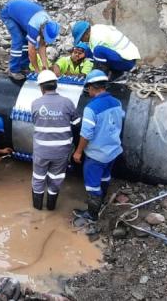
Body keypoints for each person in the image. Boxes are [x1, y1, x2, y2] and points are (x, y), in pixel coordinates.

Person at [72, 70, 125, 222]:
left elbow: (86, 134)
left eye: (87, 88)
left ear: (91, 87)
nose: (87, 91)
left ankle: (92, 215)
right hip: (113, 151)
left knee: (92, 184)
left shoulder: (91, 108)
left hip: (97, 154)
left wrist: (78, 152)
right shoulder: (117, 102)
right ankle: (101, 203)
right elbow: (119, 121)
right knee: (105, 177)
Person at [30, 70, 80, 210]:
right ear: (56, 85)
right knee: (56, 178)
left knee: (38, 178)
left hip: (42, 151)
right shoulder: (68, 103)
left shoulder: (35, 104)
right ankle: (51, 208)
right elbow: (76, 124)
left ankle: (37, 209)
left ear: (41, 87)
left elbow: (36, 122)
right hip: (61, 151)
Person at [0, 0, 61, 80]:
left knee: (25, 40)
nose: (44, 37)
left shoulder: (48, 23)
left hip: (22, 15)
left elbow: (42, 45)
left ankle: (24, 66)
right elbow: (31, 52)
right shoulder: (34, 26)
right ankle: (13, 70)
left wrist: (45, 65)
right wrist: (37, 71)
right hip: (8, 13)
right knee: (18, 40)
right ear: (43, 30)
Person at [71, 21, 140, 81]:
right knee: (88, 52)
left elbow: (98, 61)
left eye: (81, 38)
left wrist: (92, 79)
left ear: (86, 33)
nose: (82, 41)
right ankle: (117, 73)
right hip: (123, 58)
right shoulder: (95, 29)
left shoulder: (96, 37)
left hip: (127, 62)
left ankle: (101, 80)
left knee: (98, 51)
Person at [29, 42, 93, 77]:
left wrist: (69, 75)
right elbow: (57, 66)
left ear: (85, 56)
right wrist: (57, 72)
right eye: (75, 52)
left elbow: (84, 75)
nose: (76, 54)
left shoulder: (87, 63)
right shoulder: (65, 59)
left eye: (80, 53)